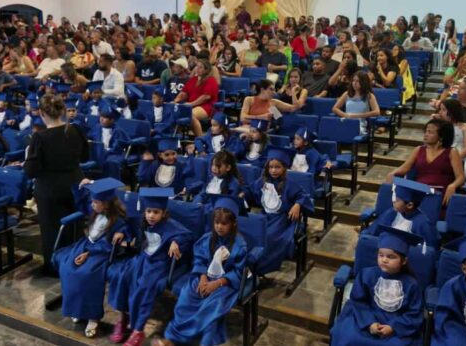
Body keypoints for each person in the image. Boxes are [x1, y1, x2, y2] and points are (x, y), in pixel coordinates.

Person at [154, 199, 247, 346]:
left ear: (233, 224)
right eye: (217, 223)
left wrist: (216, 284)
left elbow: (238, 271)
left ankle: (205, 342)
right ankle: (173, 338)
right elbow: (200, 260)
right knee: (186, 297)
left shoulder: (239, 245)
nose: (219, 227)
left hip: (226, 284)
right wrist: (203, 279)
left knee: (212, 306)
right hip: (205, 276)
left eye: (224, 224)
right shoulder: (208, 239)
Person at [107, 187, 193, 346]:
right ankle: (123, 318)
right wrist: (122, 233)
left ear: (164, 213)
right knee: (122, 276)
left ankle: (138, 329)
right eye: (148, 211)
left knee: (145, 288)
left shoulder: (171, 225)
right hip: (142, 259)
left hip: (159, 264)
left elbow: (186, 236)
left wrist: (176, 242)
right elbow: (128, 226)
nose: (151, 216)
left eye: (156, 212)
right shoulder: (142, 221)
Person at [52, 178, 128, 338]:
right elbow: (81, 204)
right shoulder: (96, 210)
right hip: (87, 244)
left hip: (101, 252)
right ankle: (76, 309)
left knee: (86, 274)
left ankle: (93, 318)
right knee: (68, 267)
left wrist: (88, 253)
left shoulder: (117, 221)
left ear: (106, 203)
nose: (92, 204)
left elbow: (110, 244)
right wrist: (81, 187)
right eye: (92, 201)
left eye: (95, 202)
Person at [24, 95, 89, 275]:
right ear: (62, 110)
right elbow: (85, 157)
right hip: (75, 184)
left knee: (52, 230)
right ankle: (76, 262)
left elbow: (31, 170)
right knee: (75, 227)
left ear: (42, 113)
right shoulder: (76, 130)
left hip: (50, 189)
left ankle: (55, 267)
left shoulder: (40, 137)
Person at [330, 226, 424, 346]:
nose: (384, 260)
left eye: (391, 257)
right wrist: (370, 323)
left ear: (404, 261)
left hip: (396, 324)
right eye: (381, 255)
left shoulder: (411, 284)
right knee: (347, 335)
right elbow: (358, 301)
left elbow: (414, 313)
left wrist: (393, 327)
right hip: (366, 316)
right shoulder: (366, 274)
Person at [248, 146, 313, 274]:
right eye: (271, 167)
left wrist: (298, 204)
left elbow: (303, 196)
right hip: (265, 217)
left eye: (277, 167)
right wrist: (242, 194)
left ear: (284, 168)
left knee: (269, 238)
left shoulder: (290, 183)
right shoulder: (262, 181)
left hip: (282, 221)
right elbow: (250, 190)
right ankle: (249, 265)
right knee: (251, 233)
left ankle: (260, 268)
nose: (273, 170)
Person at [387, 119, 464, 204]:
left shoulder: (452, 152)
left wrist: (452, 186)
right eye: (426, 131)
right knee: (399, 195)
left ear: (441, 136)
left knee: (404, 203)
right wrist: (391, 174)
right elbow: (404, 168)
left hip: (439, 192)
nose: (426, 135)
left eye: (430, 132)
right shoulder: (418, 150)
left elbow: (460, 177)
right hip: (419, 189)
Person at [365, 178, 439, 249]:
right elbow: (373, 233)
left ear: (409, 205)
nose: (393, 201)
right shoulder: (391, 212)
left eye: (397, 200)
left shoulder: (423, 224)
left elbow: (428, 251)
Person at [173, 59, 219, 137]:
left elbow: (206, 97)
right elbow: (184, 93)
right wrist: (175, 101)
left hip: (207, 106)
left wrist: (191, 104)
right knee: (175, 113)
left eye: (200, 67)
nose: (197, 68)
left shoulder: (211, 80)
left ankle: (200, 139)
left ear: (206, 70)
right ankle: (177, 138)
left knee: (190, 114)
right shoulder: (193, 79)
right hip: (191, 105)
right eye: (197, 66)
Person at [332, 71, 380, 135]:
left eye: (357, 81)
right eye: (353, 81)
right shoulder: (347, 94)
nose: (354, 83)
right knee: (332, 128)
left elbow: (377, 112)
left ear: (363, 82)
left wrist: (357, 115)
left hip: (359, 123)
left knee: (347, 130)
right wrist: (345, 115)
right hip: (346, 120)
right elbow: (335, 108)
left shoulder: (369, 96)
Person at [437, 99, 466, 173]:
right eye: (440, 109)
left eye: (443, 110)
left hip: (461, 156)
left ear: (452, 111)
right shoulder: (440, 126)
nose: (440, 112)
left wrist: (453, 159)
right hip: (443, 155)